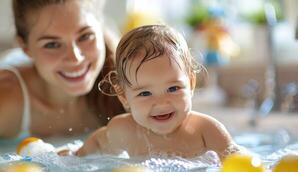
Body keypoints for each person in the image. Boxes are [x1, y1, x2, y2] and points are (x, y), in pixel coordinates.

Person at [76, 24, 242, 160]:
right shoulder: (123, 130)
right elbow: (98, 143)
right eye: (145, 93)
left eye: (173, 88)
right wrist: (74, 155)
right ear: (124, 96)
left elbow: (237, 162)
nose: (162, 103)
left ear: (191, 84)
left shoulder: (206, 130)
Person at [0, 0, 125, 139]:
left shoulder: (126, 82)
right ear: (25, 47)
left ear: (100, 30)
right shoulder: (6, 100)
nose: (75, 58)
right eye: (52, 44)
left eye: (85, 36)